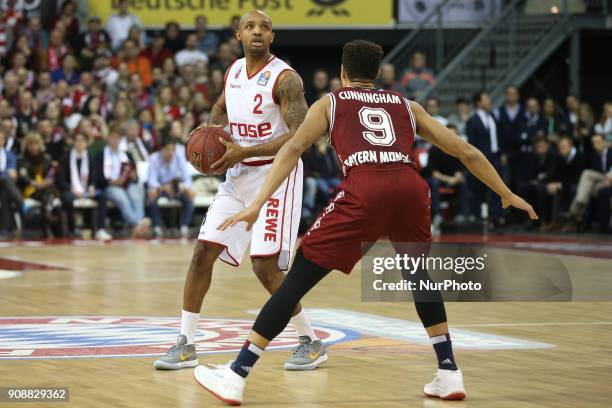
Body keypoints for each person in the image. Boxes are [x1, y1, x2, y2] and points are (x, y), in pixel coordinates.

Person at [194, 39, 537, 406]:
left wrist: (256, 204)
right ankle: (449, 371)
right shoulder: (408, 106)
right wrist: (505, 192)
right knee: (419, 276)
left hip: (365, 187)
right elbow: (465, 150)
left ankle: (236, 374)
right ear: (377, 73)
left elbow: (292, 149)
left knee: (295, 282)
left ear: (343, 73)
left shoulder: (331, 102)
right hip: (410, 188)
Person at [153, 10, 325, 372]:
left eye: (264, 27)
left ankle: (309, 341)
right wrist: (210, 133)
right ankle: (186, 343)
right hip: (239, 176)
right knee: (202, 253)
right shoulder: (233, 72)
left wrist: (243, 150)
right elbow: (220, 107)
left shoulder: (286, 79)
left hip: (277, 175)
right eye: (250, 27)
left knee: (263, 266)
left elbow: (301, 135)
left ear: (272, 37)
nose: (257, 32)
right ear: (238, 35)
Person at [93, 128, 149, 240]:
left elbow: (135, 174)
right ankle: (139, 223)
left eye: (117, 138)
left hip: (127, 185)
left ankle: (137, 226)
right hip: (110, 185)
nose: (115, 140)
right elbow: (97, 176)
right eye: (112, 137)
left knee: (137, 192)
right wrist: (111, 181)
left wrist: (133, 176)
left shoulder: (127, 154)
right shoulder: (100, 155)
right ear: (108, 139)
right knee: (123, 199)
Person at [560, 133, 612, 232]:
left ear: (605, 142)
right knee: (588, 183)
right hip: (600, 180)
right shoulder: (594, 155)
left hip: (609, 178)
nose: (596, 145)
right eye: (594, 143)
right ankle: (579, 213)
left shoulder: (610, 152)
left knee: (587, 176)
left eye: (598, 142)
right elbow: (595, 173)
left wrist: (609, 178)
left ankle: (574, 211)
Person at [466, 92, 503, 224]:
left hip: (495, 157)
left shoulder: (493, 117)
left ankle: (496, 216)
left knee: (497, 187)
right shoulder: (472, 121)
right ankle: (478, 216)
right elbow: (471, 143)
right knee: (480, 188)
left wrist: (500, 153)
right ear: (478, 102)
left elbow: (497, 137)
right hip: (481, 159)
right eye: (486, 99)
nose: (489, 101)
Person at [147, 138, 194, 238]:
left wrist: (184, 187)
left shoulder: (178, 157)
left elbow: (187, 178)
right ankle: (157, 226)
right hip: (160, 187)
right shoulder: (154, 158)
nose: (170, 152)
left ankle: (184, 226)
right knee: (152, 195)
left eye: (172, 149)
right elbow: (152, 179)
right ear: (161, 150)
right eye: (168, 149)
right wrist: (162, 187)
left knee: (189, 196)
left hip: (175, 187)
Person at [56, 132, 95, 236]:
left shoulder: (90, 157)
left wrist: (92, 186)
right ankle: (73, 228)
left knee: (102, 196)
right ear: (73, 142)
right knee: (67, 198)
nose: (79, 143)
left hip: (85, 190)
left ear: (87, 143)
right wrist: (71, 189)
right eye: (77, 140)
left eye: (82, 141)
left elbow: (94, 177)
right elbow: (60, 179)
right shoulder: (65, 157)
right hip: (69, 189)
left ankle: (95, 229)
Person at [0, 128, 22, 237]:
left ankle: (5, 230)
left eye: (1, 139)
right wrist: (4, 172)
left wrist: (4, 173)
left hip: (5, 186)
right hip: (6, 182)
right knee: (5, 179)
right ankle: (22, 204)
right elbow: (9, 173)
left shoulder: (10, 155)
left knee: (4, 192)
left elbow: (13, 174)